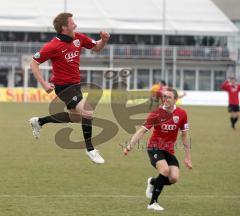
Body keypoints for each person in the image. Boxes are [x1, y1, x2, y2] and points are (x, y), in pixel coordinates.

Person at [29, 12, 110, 164]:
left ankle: (39, 121)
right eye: (72, 23)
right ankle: (90, 149)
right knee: (88, 111)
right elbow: (34, 63)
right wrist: (44, 84)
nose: (76, 25)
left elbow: (97, 47)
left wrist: (104, 40)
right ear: (64, 27)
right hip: (63, 87)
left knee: (77, 117)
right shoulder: (53, 46)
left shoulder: (79, 38)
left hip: (75, 86)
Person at [124, 87, 192, 211]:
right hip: (154, 148)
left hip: (169, 150)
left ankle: (152, 182)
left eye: (169, 97)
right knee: (165, 170)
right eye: (164, 96)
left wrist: (188, 157)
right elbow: (141, 131)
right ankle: (152, 203)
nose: (165, 99)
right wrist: (130, 145)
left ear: (175, 100)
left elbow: (185, 135)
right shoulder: (156, 113)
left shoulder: (182, 114)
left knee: (173, 178)